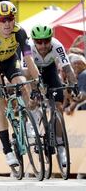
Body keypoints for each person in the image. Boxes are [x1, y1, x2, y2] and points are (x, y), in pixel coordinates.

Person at [0, 1, 40, 167]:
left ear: (14, 19)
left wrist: (38, 79)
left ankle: (29, 122)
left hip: (9, 61)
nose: (7, 23)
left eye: (10, 19)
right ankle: (7, 150)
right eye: (2, 19)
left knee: (22, 83)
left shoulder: (20, 31)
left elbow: (28, 60)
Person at [23, 24, 79, 166]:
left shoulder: (57, 45)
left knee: (58, 107)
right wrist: (33, 90)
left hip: (49, 71)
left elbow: (67, 68)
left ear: (51, 39)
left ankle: (61, 148)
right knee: (33, 98)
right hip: (32, 71)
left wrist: (74, 85)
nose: (43, 45)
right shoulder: (27, 46)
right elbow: (25, 73)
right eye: (39, 42)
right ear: (34, 41)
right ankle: (34, 120)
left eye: (46, 41)